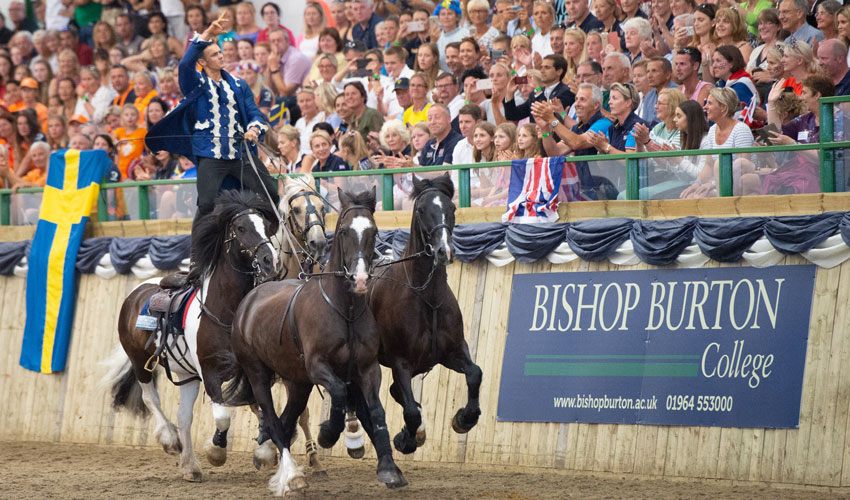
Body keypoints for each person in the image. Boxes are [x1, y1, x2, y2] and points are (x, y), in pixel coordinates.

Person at [145, 11, 280, 280]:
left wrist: (254, 128)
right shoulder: (196, 84)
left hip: (240, 154)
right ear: (204, 61)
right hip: (211, 155)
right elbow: (184, 64)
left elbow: (255, 113)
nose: (222, 56)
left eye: (221, 53)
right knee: (205, 204)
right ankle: (197, 258)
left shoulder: (239, 85)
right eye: (216, 54)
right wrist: (205, 35)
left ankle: (266, 246)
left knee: (272, 195)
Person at [759, 74, 833, 194]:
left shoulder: (838, 120)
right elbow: (774, 135)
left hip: (825, 177)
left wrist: (792, 144)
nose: (800, 98)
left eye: (804, 93)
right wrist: (771, 103)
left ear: (817, 95)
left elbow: (825, 157)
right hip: (799, 173)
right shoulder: (804, 120)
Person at [680, 87, 754, 198]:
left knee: (699, 197)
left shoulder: (741, 130)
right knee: (690, 196)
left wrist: (713, 184)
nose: (705, 107)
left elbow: (742, 167)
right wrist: (697, 183)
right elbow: (709, 165)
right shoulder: (713, 130)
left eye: (710, 103)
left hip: (739, 188)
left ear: (723, 107)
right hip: (718, 184)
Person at [504, 54, 575, 123]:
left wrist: (538, 89)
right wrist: (509, 94)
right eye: (542, 67)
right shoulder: (534, 94)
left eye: (547, 67)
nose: (542, 71)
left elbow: (547, 116)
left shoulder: (566, 92)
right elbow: (513, 115)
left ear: (559, 71)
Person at [587, 82, 648, 155]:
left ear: (628, 103)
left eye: (614, 98)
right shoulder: (612, 128)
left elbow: (631, 160)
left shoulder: (637, 126)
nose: (609, 102)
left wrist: (605, 146)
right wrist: (601, 150)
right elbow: (602, 165)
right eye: (609, 99)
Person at [268, 27, 312, 98]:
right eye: (273, 41)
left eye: (279, 40)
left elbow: (285, 93)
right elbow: (269, 91)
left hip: (302, 100)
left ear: (288, 42)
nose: (276, 43)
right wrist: (268, 67)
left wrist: (274, 68)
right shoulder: (274, 58)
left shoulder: (296, 58)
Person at [113, 104, 146, 179]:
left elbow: (148, 152)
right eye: (126, 115)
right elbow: (111, 144)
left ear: (137, 117)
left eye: (133, 114)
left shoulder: (143, 132)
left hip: (135, 172)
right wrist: (118, 141)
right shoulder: (118, 132)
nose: (129, 117)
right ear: (122, 117)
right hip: (120, 171)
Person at [295, 88, 327, 156]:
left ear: (315, 100)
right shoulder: (299, 122)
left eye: (308, 100)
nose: (305, 104)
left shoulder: (323, 117)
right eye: (301, 101)